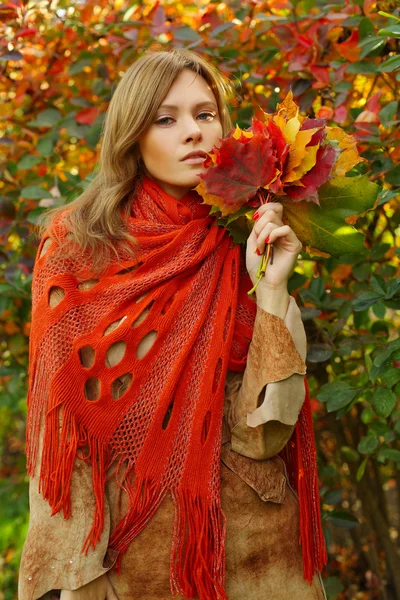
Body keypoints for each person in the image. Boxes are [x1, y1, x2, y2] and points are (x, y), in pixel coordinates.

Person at [18, 48, 328, 600]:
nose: (193, 133)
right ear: (133, 135)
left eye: (206, 114)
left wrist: (274, 289)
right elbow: (68, 440)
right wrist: (78, 584)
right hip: (133, 567)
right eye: (167, 118)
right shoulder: (78, 248)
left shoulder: (247, 235)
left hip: (259, 563)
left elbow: (265, 437)